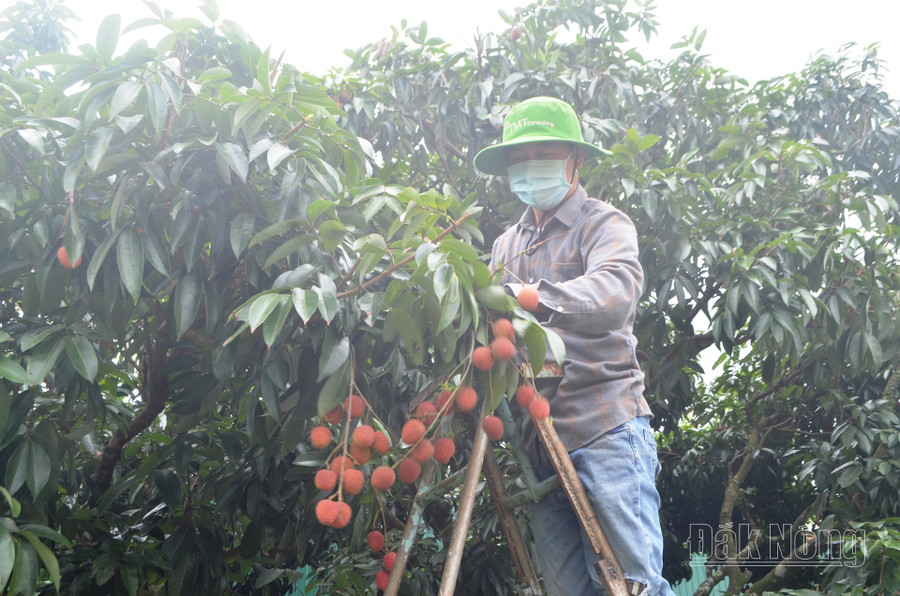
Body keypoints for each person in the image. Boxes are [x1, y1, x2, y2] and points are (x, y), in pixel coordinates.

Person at [474, 96, 675, 596]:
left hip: (602, 424)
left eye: (542, 153)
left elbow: (614, 293)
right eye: (518, 157)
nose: (528, 166)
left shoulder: (604, 224)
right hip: (538, 443)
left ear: (576, 159)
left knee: (634, 586)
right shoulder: (505, 246)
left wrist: (530, 297)